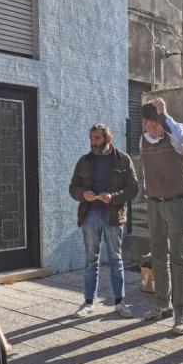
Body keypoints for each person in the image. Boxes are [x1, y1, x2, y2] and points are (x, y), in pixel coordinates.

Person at [69, 123, 139, 318]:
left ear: (109, 138)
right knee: (91, 260)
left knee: (116, 260)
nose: (93, 143)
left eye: (97, 138)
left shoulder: (123, 160)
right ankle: (88, 303)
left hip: (113, 217)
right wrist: (84, 194)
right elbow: (73, 188)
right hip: (89, 215)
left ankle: (120, 303)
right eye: (91, 139)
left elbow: (133, 189)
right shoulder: (84, 161)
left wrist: (113, 197)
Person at [139, 98, 183, 335]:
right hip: (155, 203)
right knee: (158, 256)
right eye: (149, 123)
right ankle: (163, 305)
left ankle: (182, 312)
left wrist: (164, 114)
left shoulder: (178, 132)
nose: (153, 127)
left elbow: (180, 140)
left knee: (179, 258)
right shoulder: (143, 139)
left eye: (156, 122)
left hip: (178, 202)